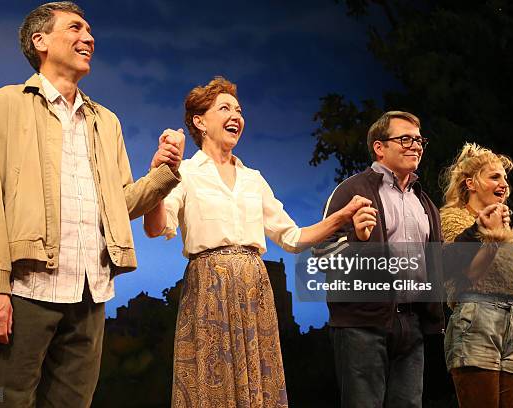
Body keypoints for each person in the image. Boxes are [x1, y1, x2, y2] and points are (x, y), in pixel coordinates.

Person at [0, 2, 182, 406]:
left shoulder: (107, 121)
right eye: (76, 28)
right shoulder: (5, 104)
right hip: (25, 289)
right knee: (4, 400)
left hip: (91, 292)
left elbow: (120, 204)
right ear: (41, 40)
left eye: (90, 31)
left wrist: (161, 173)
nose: (89, 38)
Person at [143, 76, 370, 407]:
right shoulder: (187, 173)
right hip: (209, 289)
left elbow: (292, 238)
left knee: (258, 386)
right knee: (211, 384)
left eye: (239, 110)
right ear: (200, 121)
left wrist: (342, 216)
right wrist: (158, 179)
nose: (236, 115)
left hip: (254, 290)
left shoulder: (254, 180)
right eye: (225, 108)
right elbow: (156, 227)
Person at [314, 111, 445, 407]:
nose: (415, 146)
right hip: (362, 325)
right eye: (405, 139)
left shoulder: (423, 201)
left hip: (412, 326)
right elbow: (321, 254)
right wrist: (358, 243)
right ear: (379, 147)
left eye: (419, 140)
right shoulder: (351, 191)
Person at [440, 143, 513, 407]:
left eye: (505, 177)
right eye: (495, 176)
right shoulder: (453, 219)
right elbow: (471, 275)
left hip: (512, 323)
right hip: (476, 317)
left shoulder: (502, 224)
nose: (504, 183)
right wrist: (493, 236)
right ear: (470, 183)